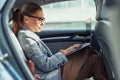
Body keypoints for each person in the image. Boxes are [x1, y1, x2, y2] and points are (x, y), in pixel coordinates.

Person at [12, 2, 108, 80]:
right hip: (54, 75)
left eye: (43, 19)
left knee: (94, 59)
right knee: (89, 52)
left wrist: (64, 52)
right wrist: (65, 52)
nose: (43, 23)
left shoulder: (27, 35)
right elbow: (45, 65)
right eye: (40, 19)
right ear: (27, 19)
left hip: (57, 71)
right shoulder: (26, 38)